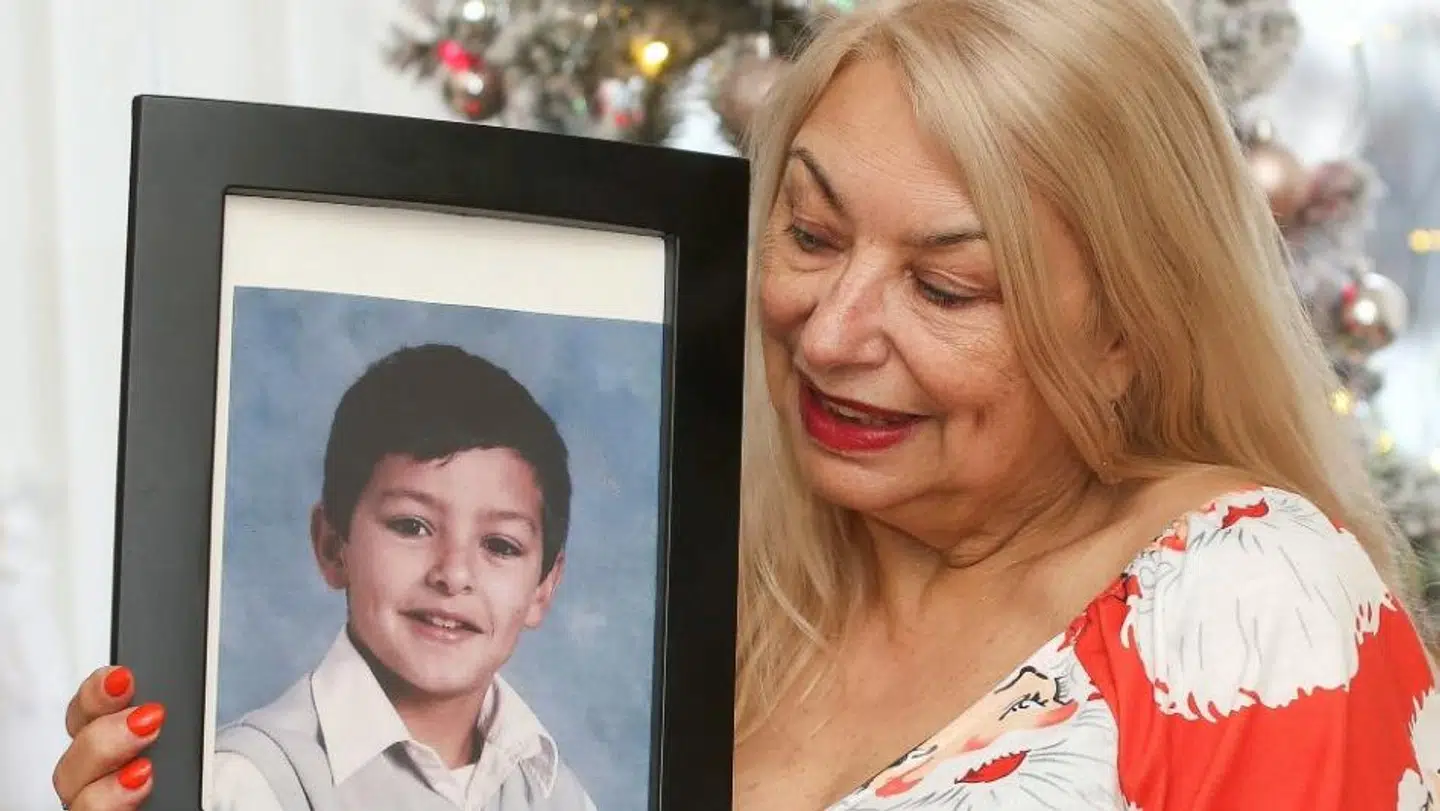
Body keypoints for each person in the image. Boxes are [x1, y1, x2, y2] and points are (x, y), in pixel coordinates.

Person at [49, 0, 1440, 808]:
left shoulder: (1251, 609)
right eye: (813, 235)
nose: (831, 333)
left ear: (1130, 327)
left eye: (946, 288)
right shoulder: (711, 592)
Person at [54, 343, 599, 810]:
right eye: (411, 526)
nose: (453, 574)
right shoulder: (245, 783)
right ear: (332, 545)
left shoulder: (555, 793)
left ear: (545, 585)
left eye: (500, 545)